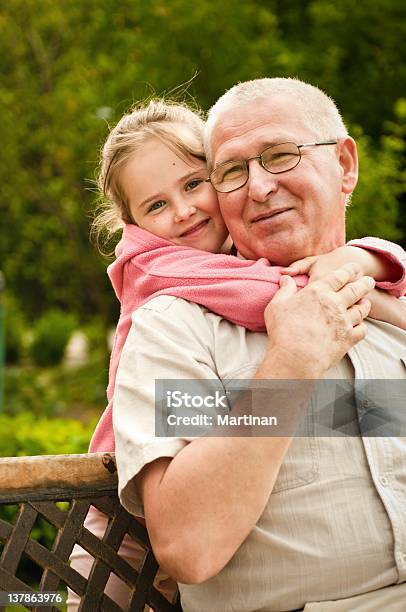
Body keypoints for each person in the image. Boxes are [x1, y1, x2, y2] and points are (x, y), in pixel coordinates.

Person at [111, 80, 406, 611]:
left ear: (344, 166)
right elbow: (189, 546)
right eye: (233, 171)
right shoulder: (178, 328)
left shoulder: (388, 303)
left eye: (280, 156)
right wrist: (290, 364)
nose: (260, 187)